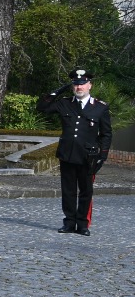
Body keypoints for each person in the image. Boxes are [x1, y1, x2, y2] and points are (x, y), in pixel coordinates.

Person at [36, 69, 112, 236]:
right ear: (72, 87)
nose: (79, 87)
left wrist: (102, 156)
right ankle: (69, 222)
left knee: (86, 191)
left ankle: (83, 224)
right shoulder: (64, 103)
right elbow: (42, 107)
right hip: (67, 154)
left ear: (89, 85)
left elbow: (106, 134)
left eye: (83, 84)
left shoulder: (99, 107)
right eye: (76, 84)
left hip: (88, 157)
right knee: (68, 190)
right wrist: (59, 90)